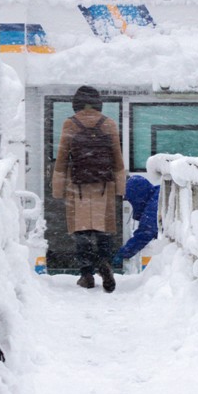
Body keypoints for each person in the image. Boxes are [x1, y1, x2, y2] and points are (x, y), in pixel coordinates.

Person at [51, 85, 126, 292]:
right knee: (104, 232)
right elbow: (117, 160)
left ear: (76, 103)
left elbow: (62, 159)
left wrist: (58, 188)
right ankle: (105, 264)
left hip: (78, 187)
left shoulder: (70, 124)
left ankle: (86, 274)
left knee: (81, 232)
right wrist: (121, 188)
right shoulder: (109, 124)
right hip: (104, 186)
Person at [114, 174, 160, 268]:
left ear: (137, 197)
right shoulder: (155, 195)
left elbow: (145, 233)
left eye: (132, 201)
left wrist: (124, 253)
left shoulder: (153, 206)